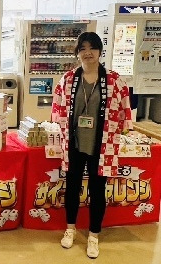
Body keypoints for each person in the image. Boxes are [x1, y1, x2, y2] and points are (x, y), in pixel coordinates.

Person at [51, 31, 132, 259]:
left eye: (92, 48)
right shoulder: (67, 79)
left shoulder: (115, 80)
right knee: (72, 187)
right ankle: (70, 229)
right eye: (83, 49)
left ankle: (94, 235)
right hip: (74, 143)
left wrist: (126, 129)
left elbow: (125, 112)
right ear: (77, 53)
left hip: (102, 145)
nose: (88, 53)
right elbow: (57, 110)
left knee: (97, 190)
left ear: (100, 51)